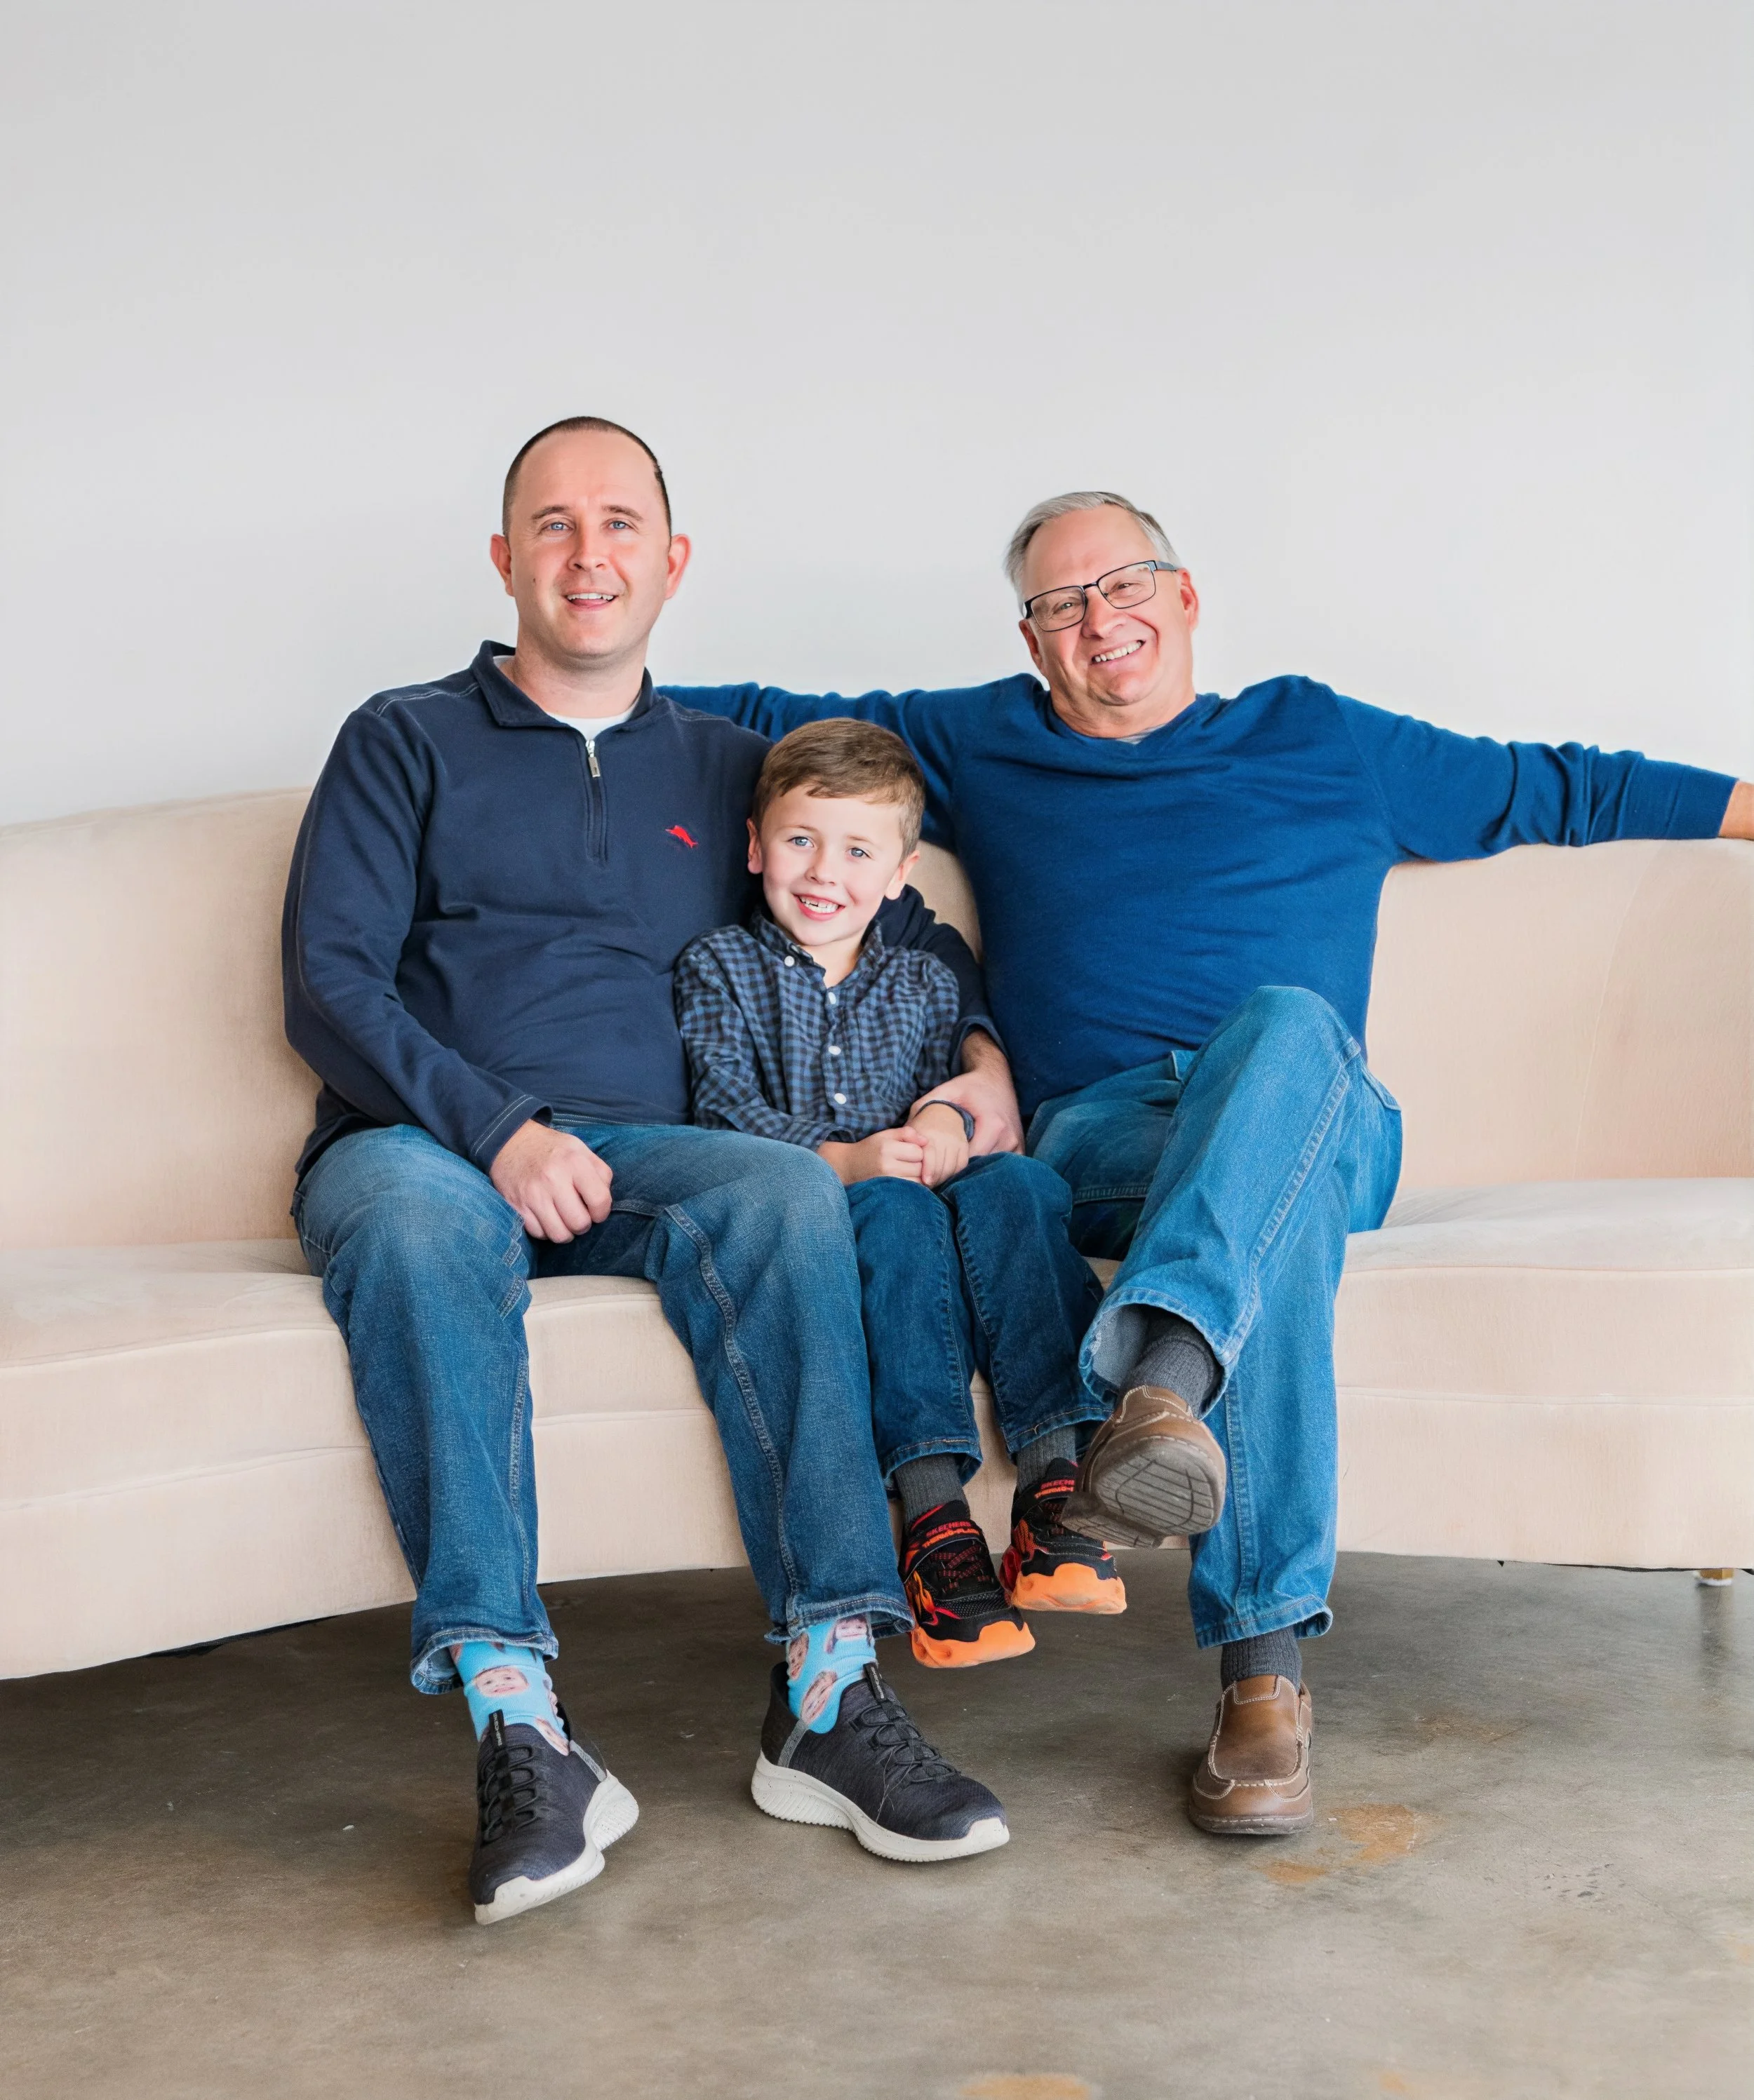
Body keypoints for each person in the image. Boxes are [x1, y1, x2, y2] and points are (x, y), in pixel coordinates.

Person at [666, 489, 1754, 1838]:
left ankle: (1165, 1380)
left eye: (1123, 586)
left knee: (1288, 1021)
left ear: (1184, 600)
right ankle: (1261, 1680)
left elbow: (1563, 782)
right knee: (1262, 1229)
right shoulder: (980, 738)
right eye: (1061, 604)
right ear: (1032, 638)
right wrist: (556, 690)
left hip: (1314, 1110)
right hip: (1105, 1136)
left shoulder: (1323, 735)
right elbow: (756, 713)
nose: (1097, 620)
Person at [282, 417, 1017, 1925]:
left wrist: (988, 1062)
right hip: (422, 1144)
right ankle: (522, 1728)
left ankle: (824, 1693)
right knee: (419, 1231)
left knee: (790, 1192)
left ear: (672, 563)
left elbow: (898, 918)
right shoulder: (400, 736)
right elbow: (328, 985)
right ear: (503, 560)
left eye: (620, 523)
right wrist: (495, 1129)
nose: (587, 552)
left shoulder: (733, 765)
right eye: (551, 525)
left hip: (654, 1156)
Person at [674, 718, 1120, 1671]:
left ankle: (1053, 1492)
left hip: (932, 1181)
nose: (824, 871)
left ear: (901, 871)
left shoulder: (923, 980)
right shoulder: (720, 969)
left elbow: (948, 1092)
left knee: (1021, 1185)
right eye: (800, 840)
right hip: (845, 1205)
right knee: (898, 1213)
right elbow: (720, 1115)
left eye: (858, 850)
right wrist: (851, 1160)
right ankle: (934, 1526)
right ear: (756, 847)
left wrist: (947, 1125)